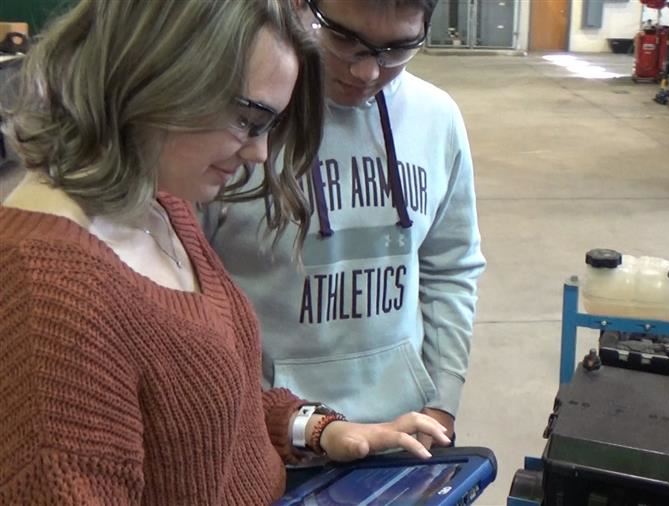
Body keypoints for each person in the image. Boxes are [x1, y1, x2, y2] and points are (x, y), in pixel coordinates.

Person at [0, 0, 449, 504]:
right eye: (247, 119)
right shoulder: (49, 294)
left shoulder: (162, 205)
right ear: (157, 73)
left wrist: (315, 430)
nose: (259, 152)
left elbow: (204, 409)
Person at [206, 0, 486, 445]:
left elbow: (451, 268)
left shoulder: (438, 118)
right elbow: (185, 293)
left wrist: (442, 401)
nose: (367, 72)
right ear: (299, 6)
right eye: (343, 39)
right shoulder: (239, 124)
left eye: (397, 49)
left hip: (404, 433)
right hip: (268, 435)